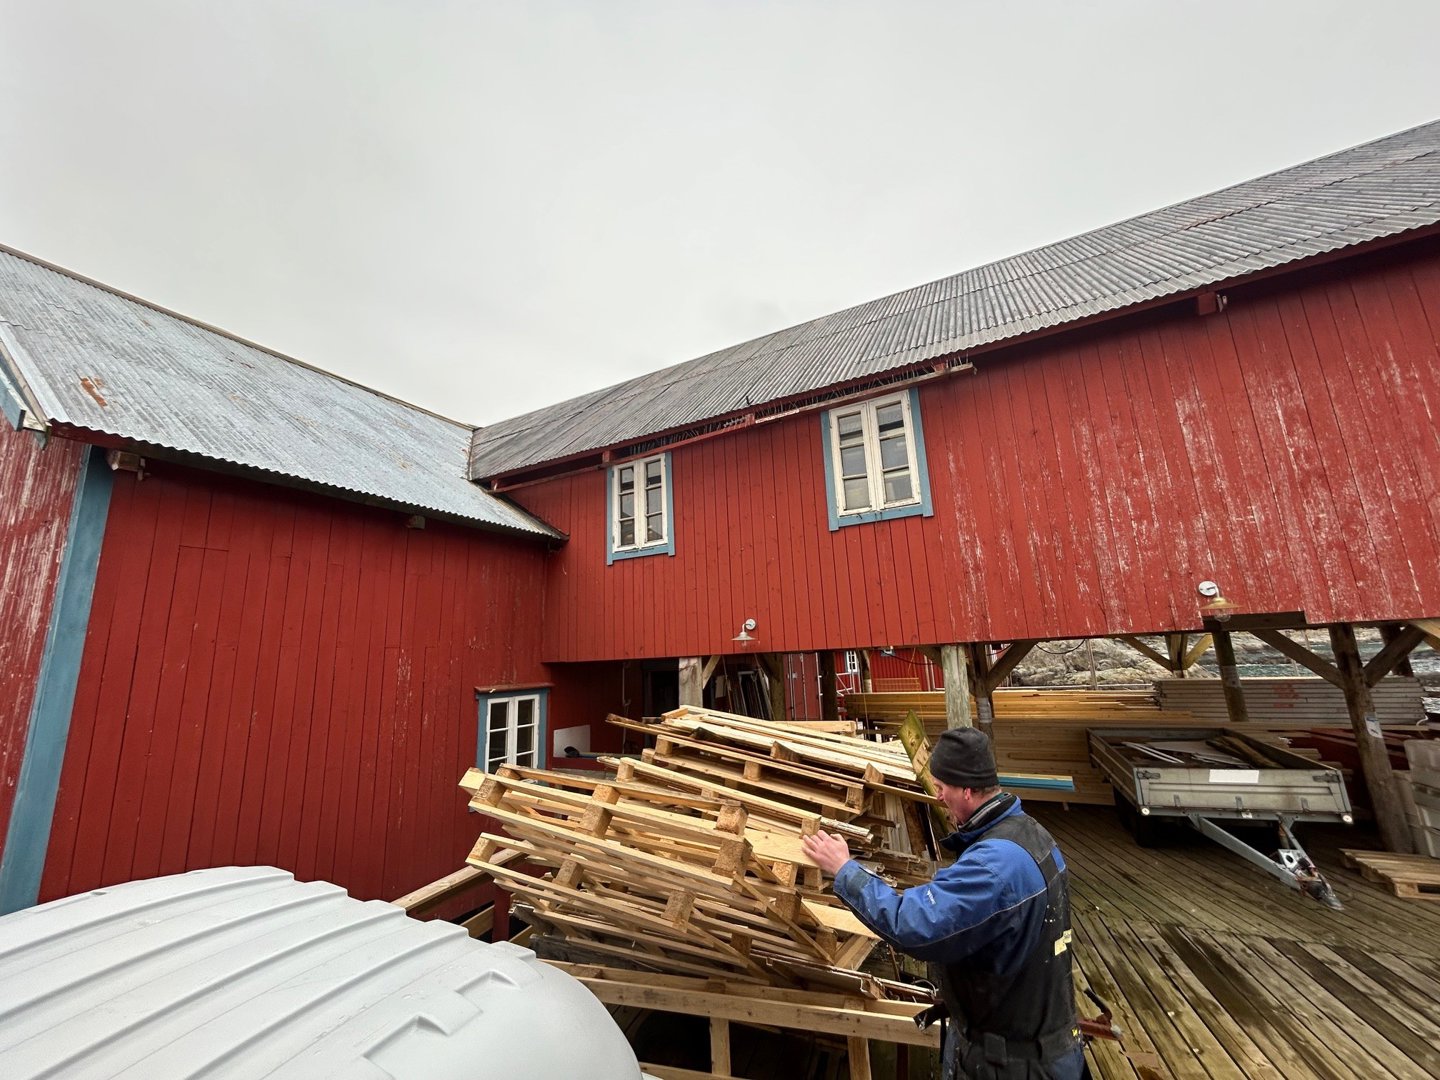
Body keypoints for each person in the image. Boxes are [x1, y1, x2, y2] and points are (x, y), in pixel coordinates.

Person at [801, 727, 1087, 1080]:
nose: (938, 798)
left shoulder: (992, 867)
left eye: (942, 788)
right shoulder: (1030, 833)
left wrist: (845, 871)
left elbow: (913, 925)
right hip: (1040, 1041)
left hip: (1013, 1066)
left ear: (966, 790)